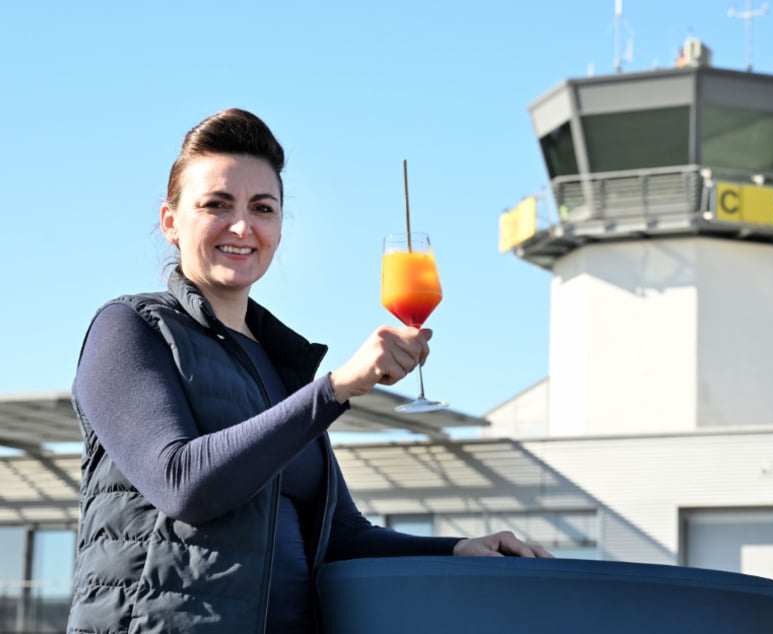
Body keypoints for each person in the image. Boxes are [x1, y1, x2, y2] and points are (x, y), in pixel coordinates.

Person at [67, 108, 551, 634]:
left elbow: (341, 535)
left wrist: (458, 549)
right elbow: (184, 485)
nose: (242, 226)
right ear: (171, 223)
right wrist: (338, 388)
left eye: (263, 208)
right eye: (216, 204)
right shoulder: (128, 329)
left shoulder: (278, 363)